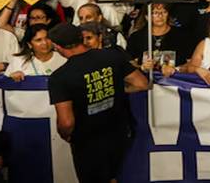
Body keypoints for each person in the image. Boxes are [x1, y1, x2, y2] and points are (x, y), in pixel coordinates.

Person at [47, 23, 151, 183]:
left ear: (57, 47)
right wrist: (116, 90)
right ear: (82, 37)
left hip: (88, 144)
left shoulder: (59, 77)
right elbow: (142, 84)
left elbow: (66, 122)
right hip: (120, 133)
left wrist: (65, 134)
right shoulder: (112, 56)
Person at [126, 2, 197, 75]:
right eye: (155, 13)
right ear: (147, 17)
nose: (160, 16)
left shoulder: (182, 35)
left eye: (164, 12)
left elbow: (191, 63)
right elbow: (130, 64)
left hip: (175, 81)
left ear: (168, 14)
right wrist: (142, 67)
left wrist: (176, 69)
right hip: (145, 81)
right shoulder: (136, 37)